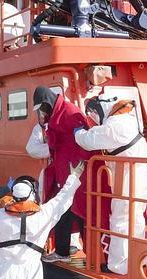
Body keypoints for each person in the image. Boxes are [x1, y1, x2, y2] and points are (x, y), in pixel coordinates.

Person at [74, 93, 147, 275]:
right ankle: (138, 260)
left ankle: (119, 266)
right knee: (136, 218)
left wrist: (77, 132)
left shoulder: (115, 125)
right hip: (137, 173)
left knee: (121, 219)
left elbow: (88, 141)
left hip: (128, 176)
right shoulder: (128, 120)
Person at [32, 86, 110, 263]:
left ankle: (90, 255)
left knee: (80, 210)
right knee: (65, 209)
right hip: (65, 170)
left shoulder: (70, 113)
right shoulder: (57, 113)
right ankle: (64, 250)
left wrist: (78, 169)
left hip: (76, 171)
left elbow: (82, 143)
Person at [25, 123, 85, 255]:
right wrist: (55, 147)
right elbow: (32, 148)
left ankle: (74, 242)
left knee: (77, 207)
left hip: (77, 170)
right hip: (54, 172)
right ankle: (47, 241)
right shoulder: (42, 127)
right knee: (54, 205)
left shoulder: (79, 123)